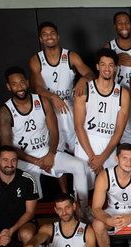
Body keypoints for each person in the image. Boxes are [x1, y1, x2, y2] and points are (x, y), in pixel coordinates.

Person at [0, 66, 89, 215]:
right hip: (24, 161)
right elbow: (7, 148)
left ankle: (82, 210)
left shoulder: (42, 101)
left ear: (27, 82)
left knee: (79, 166)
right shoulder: (5, 111)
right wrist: (36, 161)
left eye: (22, 82)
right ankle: (29, 221)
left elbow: (54, 131)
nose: (19, 87)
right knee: (30, 199)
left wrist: (51, 154)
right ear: (8, 87)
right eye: (14, 84)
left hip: (46, 153)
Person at [29, 21, 95, 153]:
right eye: (45, 34)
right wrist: (53, 97)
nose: (49, 36)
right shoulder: (36, 60)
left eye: (52, 33)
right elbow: (37, 88)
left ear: (58, 36)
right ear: (41, 39)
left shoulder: (71, 56)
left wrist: (83, 79)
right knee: (55, 151)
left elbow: (91, 74)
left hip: (69, 106)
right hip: (49, 108)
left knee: (77, 148)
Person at [74, 48, 130, 187]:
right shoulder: (85, 89)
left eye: (110, 65)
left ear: (115, 68)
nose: (107, 69)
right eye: (103, 64)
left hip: (108, 145)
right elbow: (78, 126)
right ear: (97, 66)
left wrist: (103, 158)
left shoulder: (123, 94)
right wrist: (92, 157)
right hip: (86, 143)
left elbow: (119, 131)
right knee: (82, 192)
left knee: (111, 189)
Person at [104, 11, 131, 147]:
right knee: (126, 133)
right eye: (120, 23)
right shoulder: (109, 47)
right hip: (119, 96)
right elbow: (102, 76)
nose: (124, 26)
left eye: (126, 22)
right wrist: (116, 63)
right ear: (115, 26)